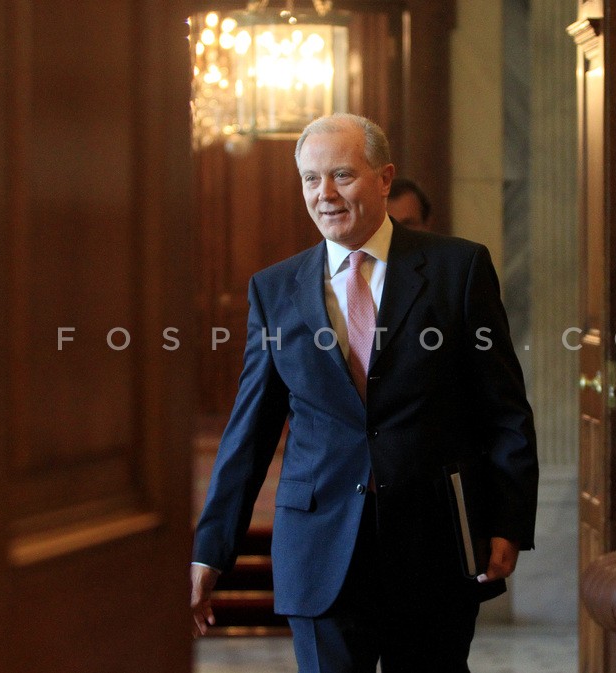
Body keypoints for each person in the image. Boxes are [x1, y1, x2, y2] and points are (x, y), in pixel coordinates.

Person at [190, 113, 538, 673]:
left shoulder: (458, 268)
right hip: (318, 544)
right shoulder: (274, 290)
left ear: (384, 178)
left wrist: (509, 520)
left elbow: (504, 410)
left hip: (433, 544)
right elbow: (249, 431)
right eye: (311, 179)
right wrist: (211, 548)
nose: (324, 194)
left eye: (342, 175)